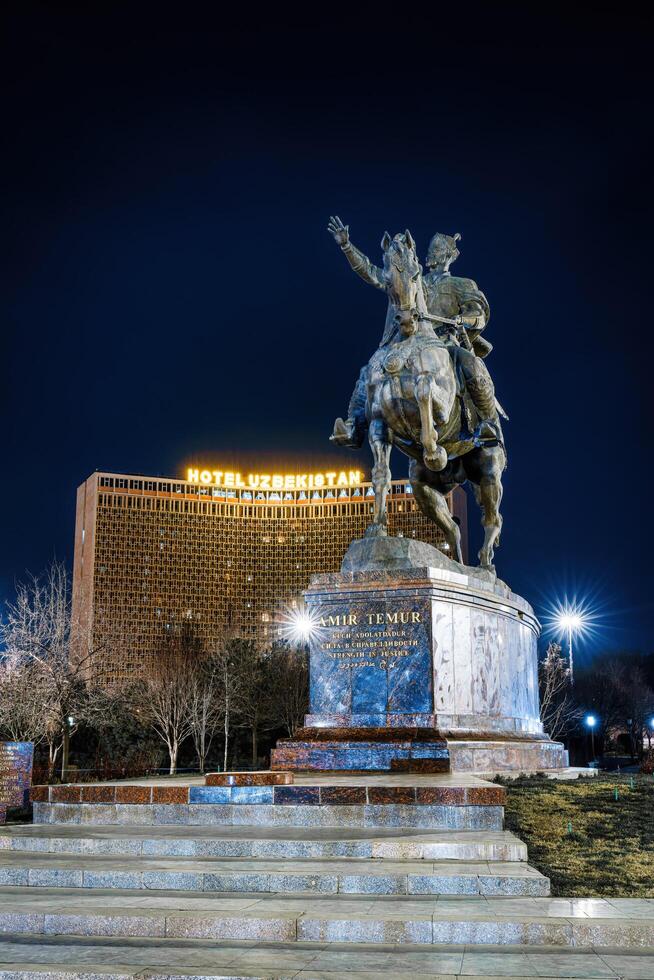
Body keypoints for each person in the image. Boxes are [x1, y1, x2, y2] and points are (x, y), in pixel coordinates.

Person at [327, 216, 503, 449]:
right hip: (410, 340)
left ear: (451, 256)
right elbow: (372, 273)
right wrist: (347, 246)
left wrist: (464, 319)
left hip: (445, 342)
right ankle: (354, 425)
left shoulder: (462, 284)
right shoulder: (413, 278)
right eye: (432, 250)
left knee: (471, 365)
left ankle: (488, 423)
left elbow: (478, 315)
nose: (435, 254)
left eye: (440, 250)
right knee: (369, 371)